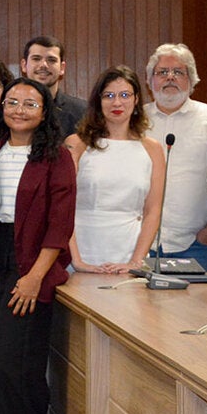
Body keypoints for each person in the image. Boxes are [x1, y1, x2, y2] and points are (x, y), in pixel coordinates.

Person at [0, 78, 75, 414]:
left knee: (19, 368)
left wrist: (35, 277)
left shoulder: (57, 157)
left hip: (32, 266)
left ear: (44, 111)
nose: (18, 109)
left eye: (29, 103)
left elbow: (60, 224)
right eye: (12, 101)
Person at [66, 66, 165, 273]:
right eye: (109, 95)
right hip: (82, 251)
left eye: (124, 95)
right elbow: (62, 207)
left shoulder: (152, 149)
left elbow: (152, 211)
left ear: (136, 99)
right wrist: (77, 260)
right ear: (98, 101)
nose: (117, 102)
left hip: (129, 252)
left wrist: (135, 262)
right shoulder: (77, 144)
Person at [144, 43, 207, 271]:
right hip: (140, 243)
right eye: (162, 72)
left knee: (197, 308)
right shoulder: (136, 121)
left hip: (196, 244)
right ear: (150, 81)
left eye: (178, 72)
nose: (170, 78)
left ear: (192, 79)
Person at [21, 36, 86, 137]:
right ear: (24, 65)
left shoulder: (82, 112)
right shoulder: (10, 111)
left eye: (51, 60)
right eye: (36, 59)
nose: (43, 65)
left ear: (62, 68)